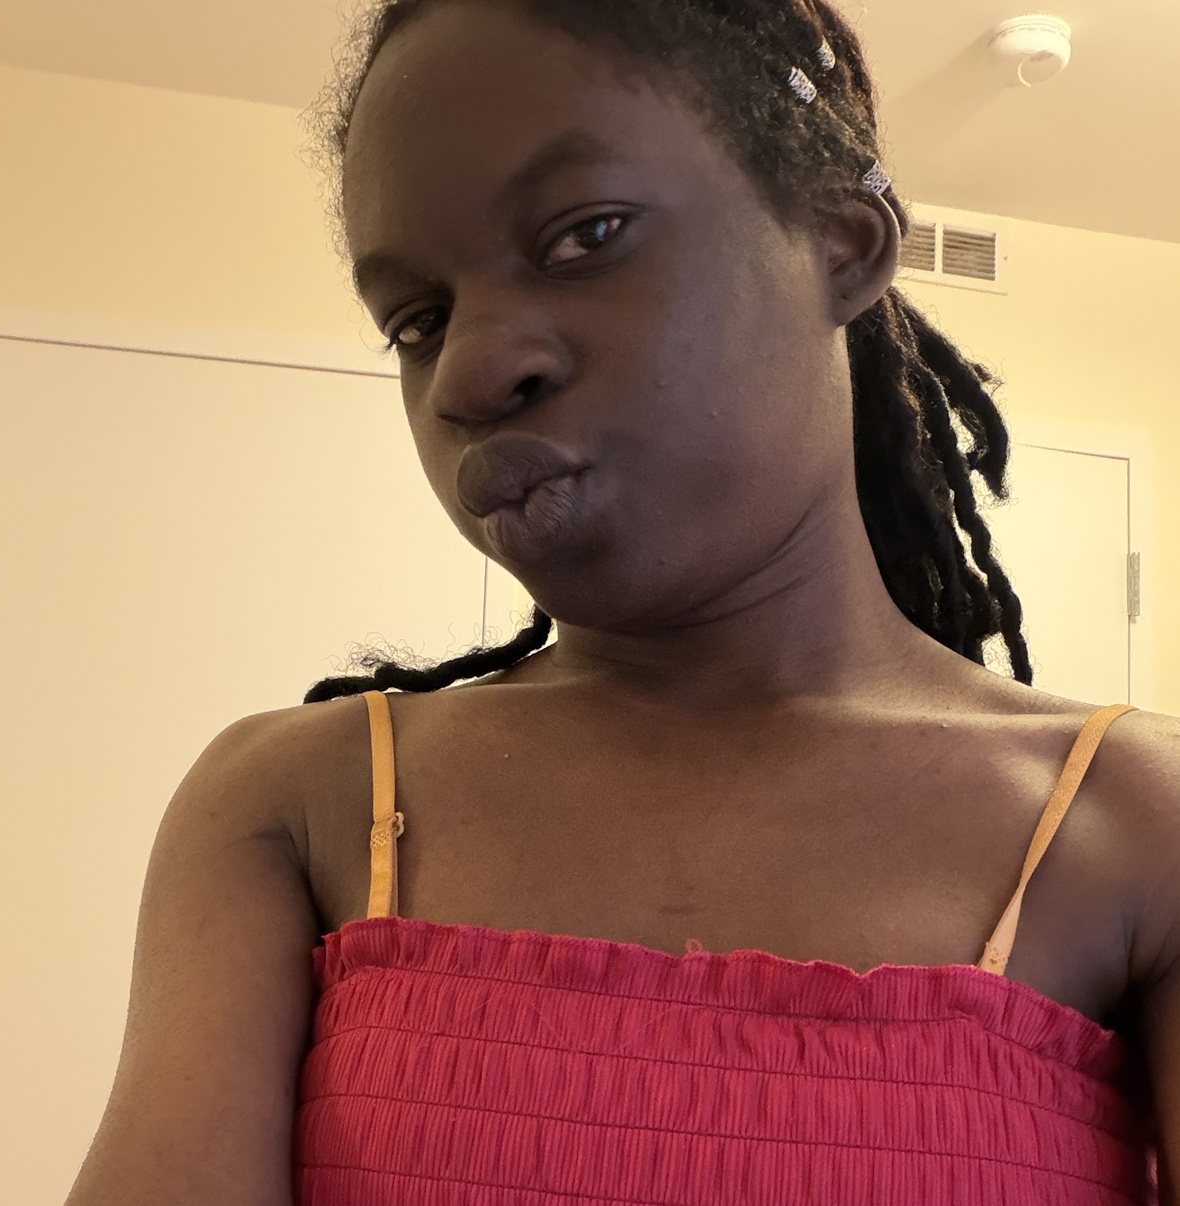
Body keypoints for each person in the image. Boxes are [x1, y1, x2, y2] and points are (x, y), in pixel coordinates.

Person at [67, 0, 1178, 1203]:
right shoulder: (297, 807)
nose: (470, 374)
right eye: (418, 321)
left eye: (585, 236)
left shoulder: (1128, 824)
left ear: (841, 244)